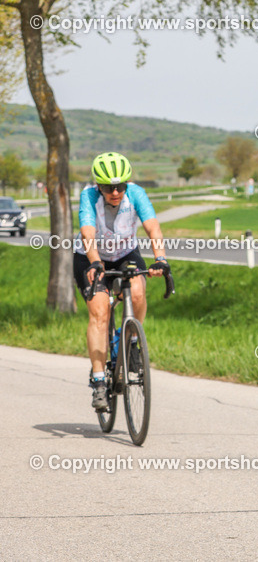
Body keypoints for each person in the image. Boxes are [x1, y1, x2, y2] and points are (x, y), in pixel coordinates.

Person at [73, 152, 169, 411]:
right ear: (98, 186)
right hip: (91, 257)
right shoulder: (89, 196)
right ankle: (100, 380)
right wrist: (95, 263)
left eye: (120, 186)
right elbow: (87, 232)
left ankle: (131, 342)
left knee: (137, 293)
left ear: (127, 184)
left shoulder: (136, 193)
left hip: (125, 253)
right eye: (108, 187)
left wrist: (160, 258)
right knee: (100, 312)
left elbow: (153, 227)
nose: (115, 192)